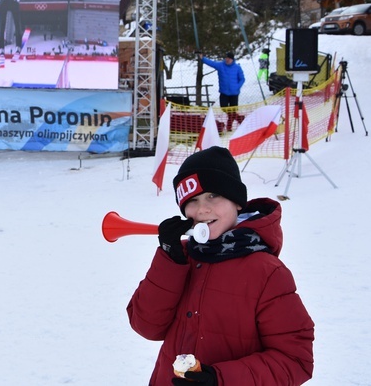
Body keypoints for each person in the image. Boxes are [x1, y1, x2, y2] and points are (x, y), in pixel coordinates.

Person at [127, 146, 315, 386]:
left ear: (237, 202)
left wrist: (221, 380)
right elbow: (146, 326)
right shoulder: (180, 257)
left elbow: (295, 360)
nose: (203, 209)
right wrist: (168, 260)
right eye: (192, 201)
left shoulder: (267, 272)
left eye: (213, 196)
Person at [197, 52, 245, 131]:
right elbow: (211, 63)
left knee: (233, 110)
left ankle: (229, 126)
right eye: (226, 58)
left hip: (234, 93)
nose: (227, 59)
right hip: (224, 92)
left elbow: (242, 79)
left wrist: (237, 87)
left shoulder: (237, 67)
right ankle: (239, 118)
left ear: (232, 59)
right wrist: (203, 58)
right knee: (224, 107)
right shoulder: (220, 65)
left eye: (229, 58)